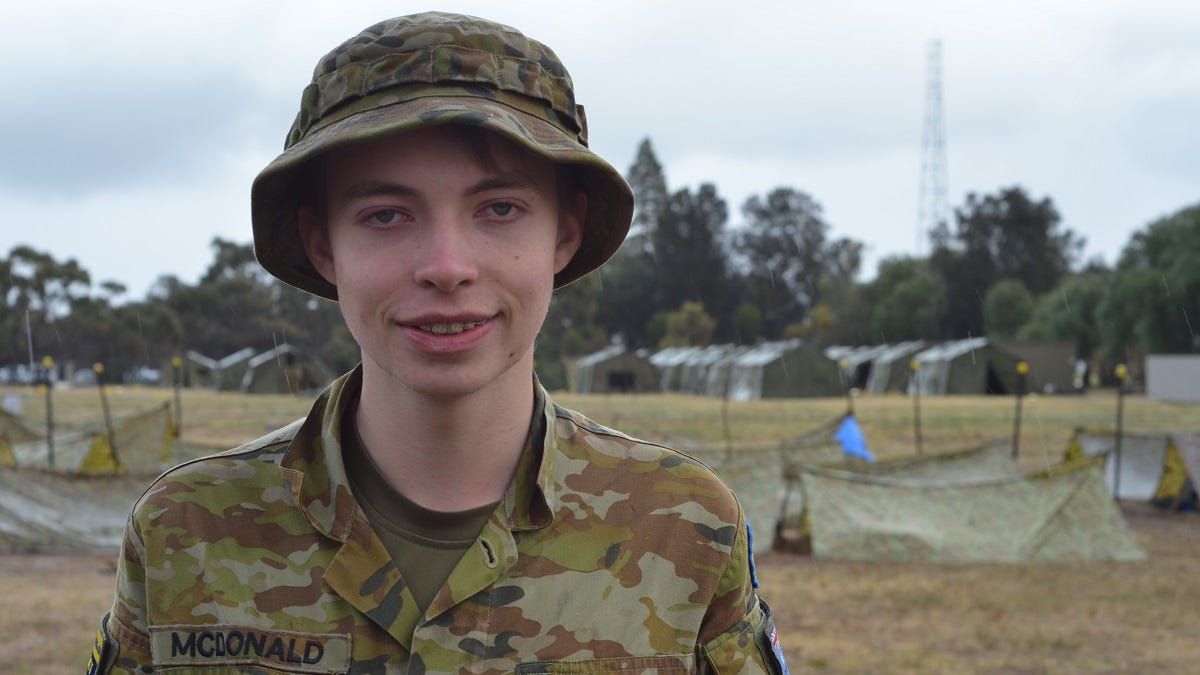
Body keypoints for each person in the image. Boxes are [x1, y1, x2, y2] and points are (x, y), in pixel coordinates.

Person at [89, 12, 788, 674]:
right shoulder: (186, 531)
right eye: (386, 214)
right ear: (321, 243)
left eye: (500, 209)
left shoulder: (684, 526)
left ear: (564, 234)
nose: (447, 265)